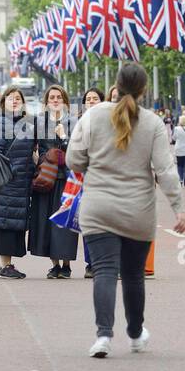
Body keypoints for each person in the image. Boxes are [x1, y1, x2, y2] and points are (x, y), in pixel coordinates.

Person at [67, 63, 185, 358]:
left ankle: (103, 336)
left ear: (116, 86)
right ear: (144, 90)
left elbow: (73, 158)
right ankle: (135, 334)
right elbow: (165, 170)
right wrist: (178, 207)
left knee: (105, 271)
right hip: (138, 210)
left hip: (99, 206)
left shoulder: (93, 116)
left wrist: (92, 164)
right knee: (133, 275)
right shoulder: (153, 123)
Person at [28, 85, 78, 278]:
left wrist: (63, 137)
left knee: (64, 222)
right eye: (51, 98)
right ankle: (54, 264)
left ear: (65, 101)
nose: (55, 100)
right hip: (45, 179)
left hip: (65, 178)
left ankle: (66, 265)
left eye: (58, 97)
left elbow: (77, 151)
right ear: (46, 102)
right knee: (46, 222)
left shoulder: (73, 123)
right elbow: (32, 148)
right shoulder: (39, 123)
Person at [0, 85, 35, 279]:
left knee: (15, 223)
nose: (15, 100)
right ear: (4, 102)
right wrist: (10, 172)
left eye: (18, 98)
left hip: (23, 182)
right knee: (5, 222)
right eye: (11, 98)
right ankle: (5, 266)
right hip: (8, 182)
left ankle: (9, 265)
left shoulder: (29, 124)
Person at [80, 88, 105, 276]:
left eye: (95, 98)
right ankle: (91, 262)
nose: (91, 101)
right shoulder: (79, 123)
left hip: (107, 179)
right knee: (89, 223)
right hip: (85, 179)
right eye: (88, 99)